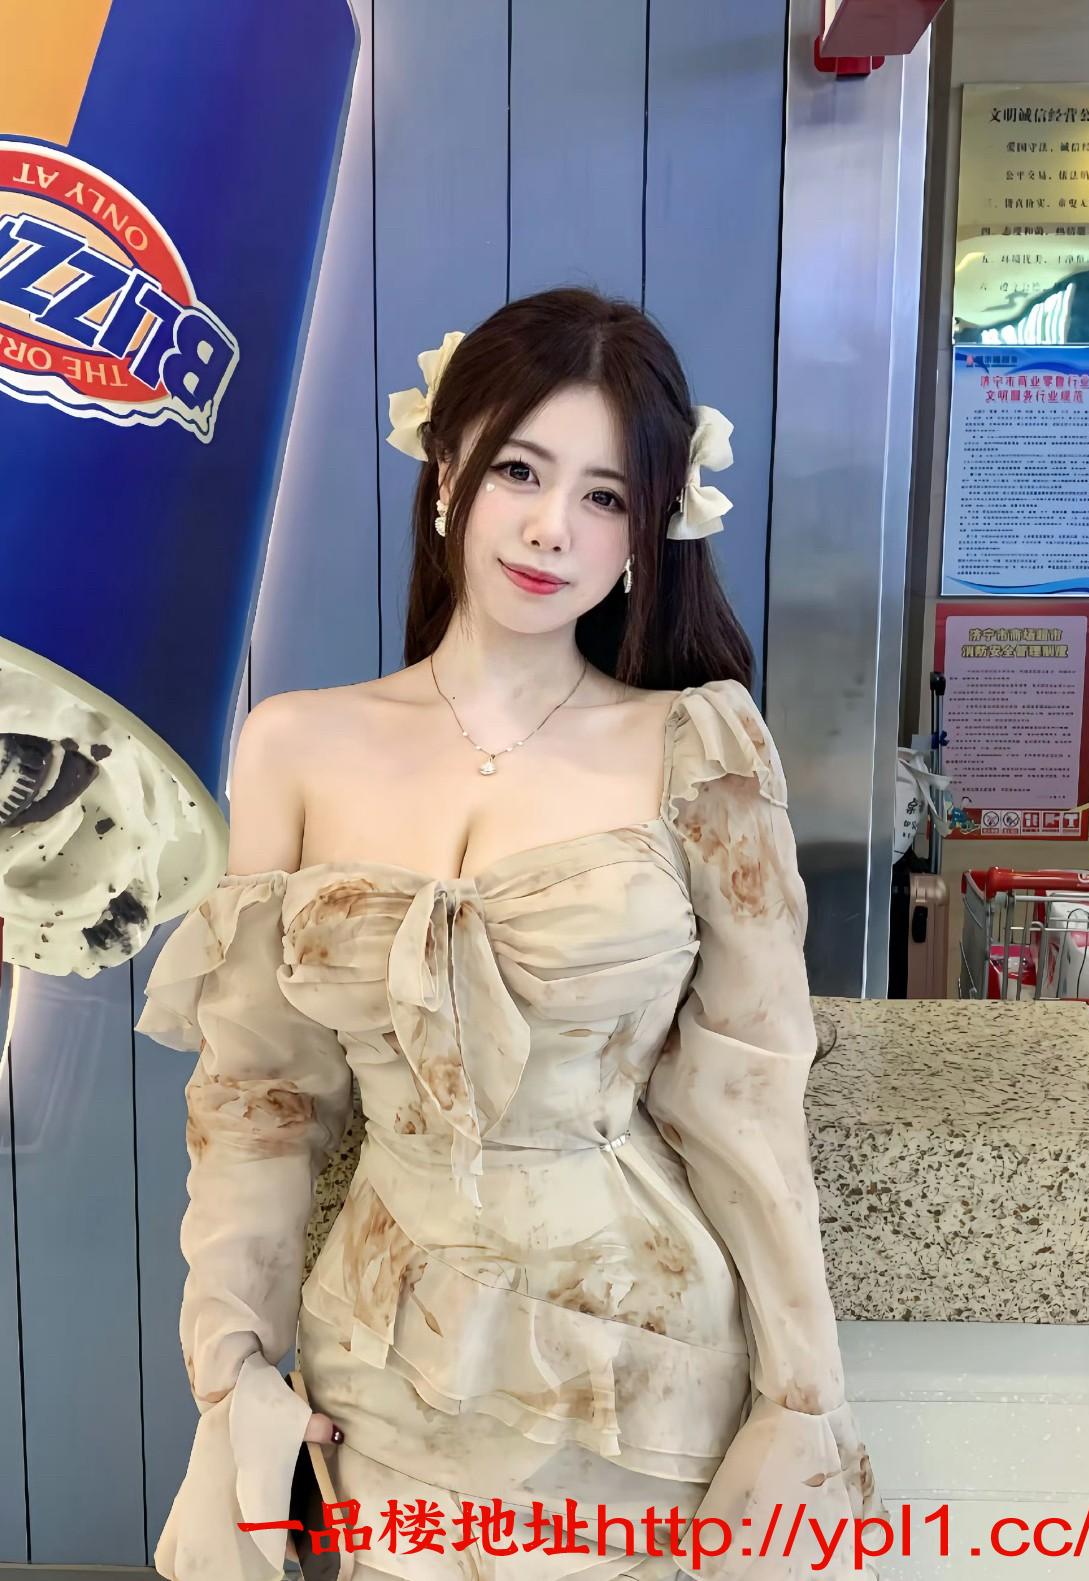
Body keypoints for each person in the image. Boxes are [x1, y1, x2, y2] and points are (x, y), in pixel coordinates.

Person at [136, 286, 887, 1581]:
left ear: (650, 530)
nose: (552, 528)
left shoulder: (699, 752)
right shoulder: (296, 745)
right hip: (385, 1349)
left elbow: (746, 1095)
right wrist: (233, 1363)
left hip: (638, 1353)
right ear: (446, 474)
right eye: (519, 471)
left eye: (605, 495)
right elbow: (259, 1097)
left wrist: (803, 1393)